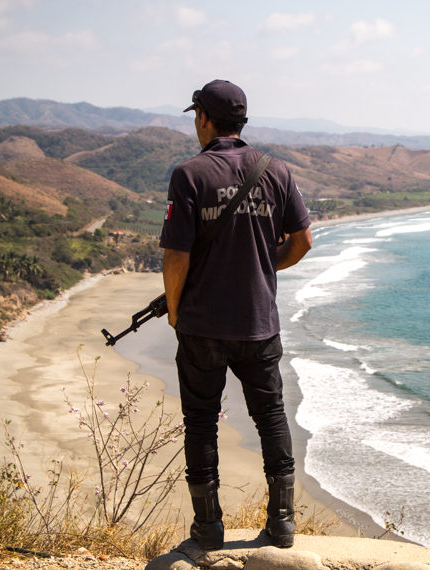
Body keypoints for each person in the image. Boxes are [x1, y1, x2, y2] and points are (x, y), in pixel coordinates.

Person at [159, 79, 313, 550]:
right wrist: (269, 264)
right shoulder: (276, 170)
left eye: (195, 117)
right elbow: (303, 241)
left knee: (201, 422)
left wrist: (174, 309)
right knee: (271, 418)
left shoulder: (189, 175)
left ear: (204, 118)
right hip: (258, 324)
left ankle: (208, 528)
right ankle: (283, 523)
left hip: (203, 325)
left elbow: (177, 256)